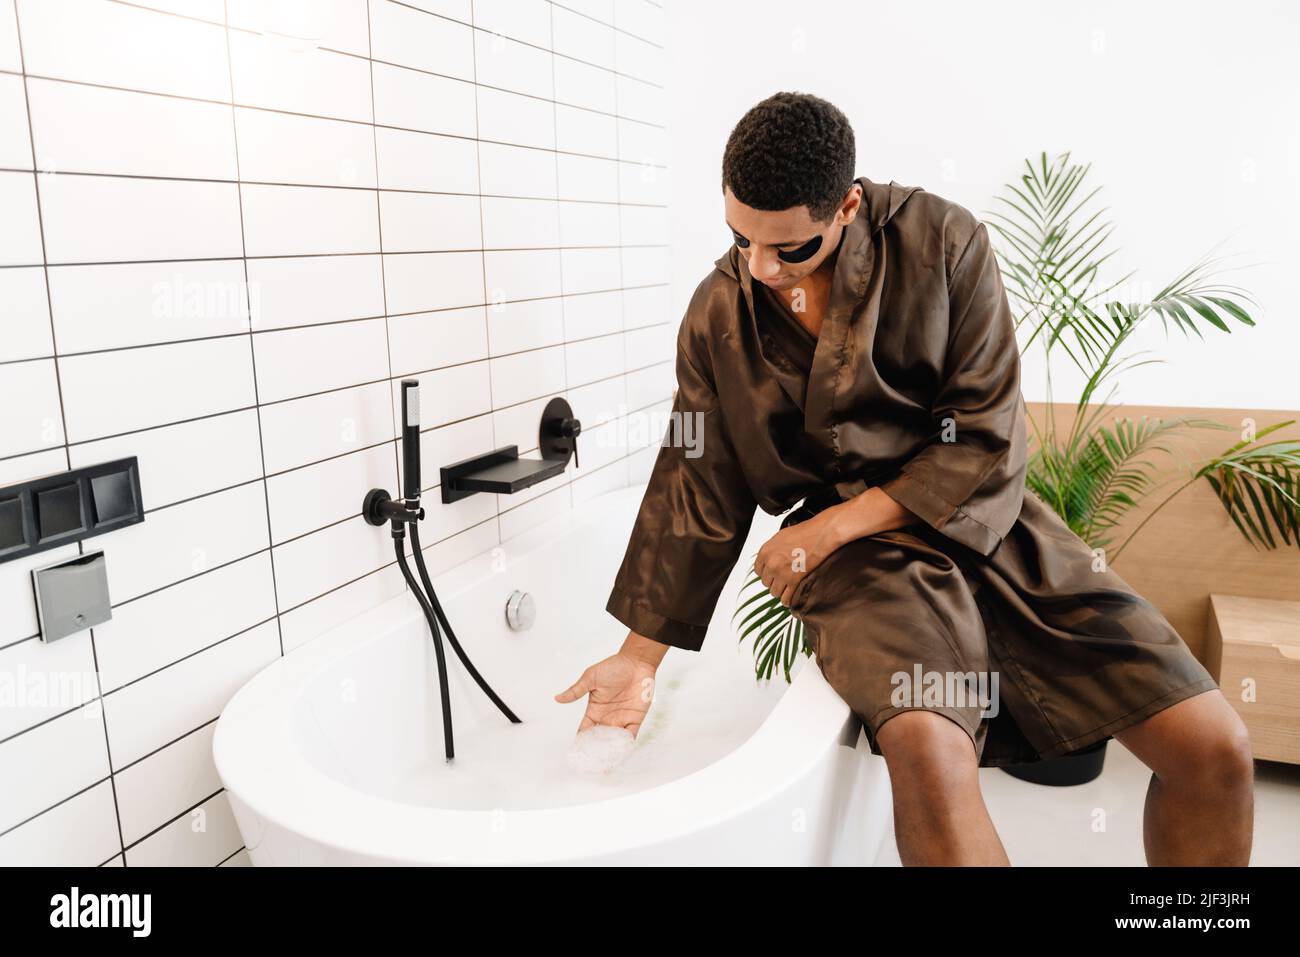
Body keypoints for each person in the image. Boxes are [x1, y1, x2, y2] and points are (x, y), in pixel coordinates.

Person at [555, 92, 1254, 866]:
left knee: (1215, 747)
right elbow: (697, 477)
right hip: (860, 566)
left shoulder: (944, 243)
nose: (757, 266)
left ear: (848, 204)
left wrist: (830, 527)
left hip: (985, 519)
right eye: (739, 237)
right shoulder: (720, 308)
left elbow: (986, 431)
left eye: (789, 247)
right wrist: (637, 660)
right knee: (929, 744)